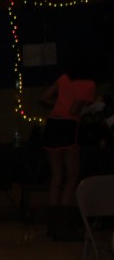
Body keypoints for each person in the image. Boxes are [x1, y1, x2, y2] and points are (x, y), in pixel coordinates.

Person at [40, 67, 97, 240]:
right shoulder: (89, 84)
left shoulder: (64, 78)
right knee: (72, 176)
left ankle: (53, 226)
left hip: (52, 125)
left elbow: (43, 98)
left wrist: (58, 105)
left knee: (57, 177)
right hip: (68, 127)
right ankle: (65, 226)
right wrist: (89, 110)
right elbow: (74, 110)